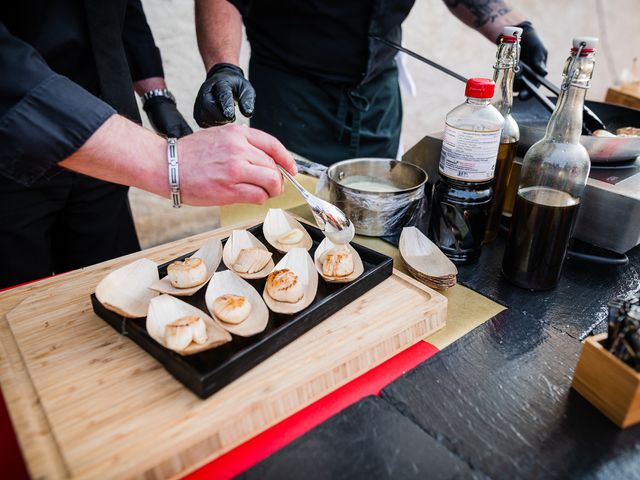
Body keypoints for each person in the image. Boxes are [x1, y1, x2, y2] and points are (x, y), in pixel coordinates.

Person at [0, 1, 296, 289]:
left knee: (120, 290)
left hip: (110, 154)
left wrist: (156, 96)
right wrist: (169, 162)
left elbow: (118, 11)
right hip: (11, 162)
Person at [193, 0, 548, 165]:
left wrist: (516, 33)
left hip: (377, 92)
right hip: (292, 94)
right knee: (293, 220)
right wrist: (224, 67)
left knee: (376, 214)